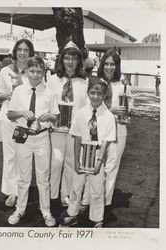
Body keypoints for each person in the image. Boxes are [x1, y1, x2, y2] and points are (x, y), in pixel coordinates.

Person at [6, 56, 59, 226]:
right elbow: (10, 114)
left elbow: (55, 117)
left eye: (39, 71)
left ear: (44, 72)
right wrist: (22, 112)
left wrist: (49, 116)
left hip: (42, 137)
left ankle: (46, 211)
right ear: (26, 71)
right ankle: (20, 210)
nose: (35, 74)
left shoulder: (49, 93)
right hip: (24, 137)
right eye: (32, 70)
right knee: (24, 177)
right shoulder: (19, 91)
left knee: (43, 177)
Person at [59, 76, 116, 227]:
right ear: (88, 93)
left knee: (97, 189)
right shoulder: (80, 113)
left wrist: (99, 162)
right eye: (92, 93)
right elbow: (77, 139)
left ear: (105, 96)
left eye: (99, 94)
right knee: (76, 186)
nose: (95, 96)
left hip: (97, 154)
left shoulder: (109, 117)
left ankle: (97, 218)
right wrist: (77, 160)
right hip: (83, 153)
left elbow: (105, 142)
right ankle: (72, 214)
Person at [0, 39, 34, 208]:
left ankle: (23, 189)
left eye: (26, 50)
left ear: (30, 53)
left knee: (23, 156)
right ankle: (12, 192)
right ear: (15, 51)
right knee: (10, 156)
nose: (22, 53)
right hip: (7, 117)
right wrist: (9, 94)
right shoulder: (5, 71)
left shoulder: (33, 71)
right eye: (19, 50)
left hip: (25, 119)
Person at [47, 41, 87, 207]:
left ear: (78, 61)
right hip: (56, 128)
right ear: (62, 60)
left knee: (71, 162)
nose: (70, 62)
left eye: (74, 59)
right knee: (56, 161)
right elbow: (47, 102)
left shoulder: (84, 82)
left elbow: (86, 107)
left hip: (74, 130)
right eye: (67, 58)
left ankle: (66, 194)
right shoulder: (52, 79)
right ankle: (51, 193)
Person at [97, 48, 134, 207]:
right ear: (102, 65)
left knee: (111, 167)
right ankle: (94, 197)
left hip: (119, 130)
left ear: (117, 66)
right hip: (97, 130)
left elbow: (130, 105)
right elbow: (88, 107)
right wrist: (109, 111)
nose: (109, 67)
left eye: (112, 64)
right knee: (96, 165)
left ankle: (105, 202)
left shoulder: (123, 85)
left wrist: (127, 110)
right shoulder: (96, 82)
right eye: (106, 64)